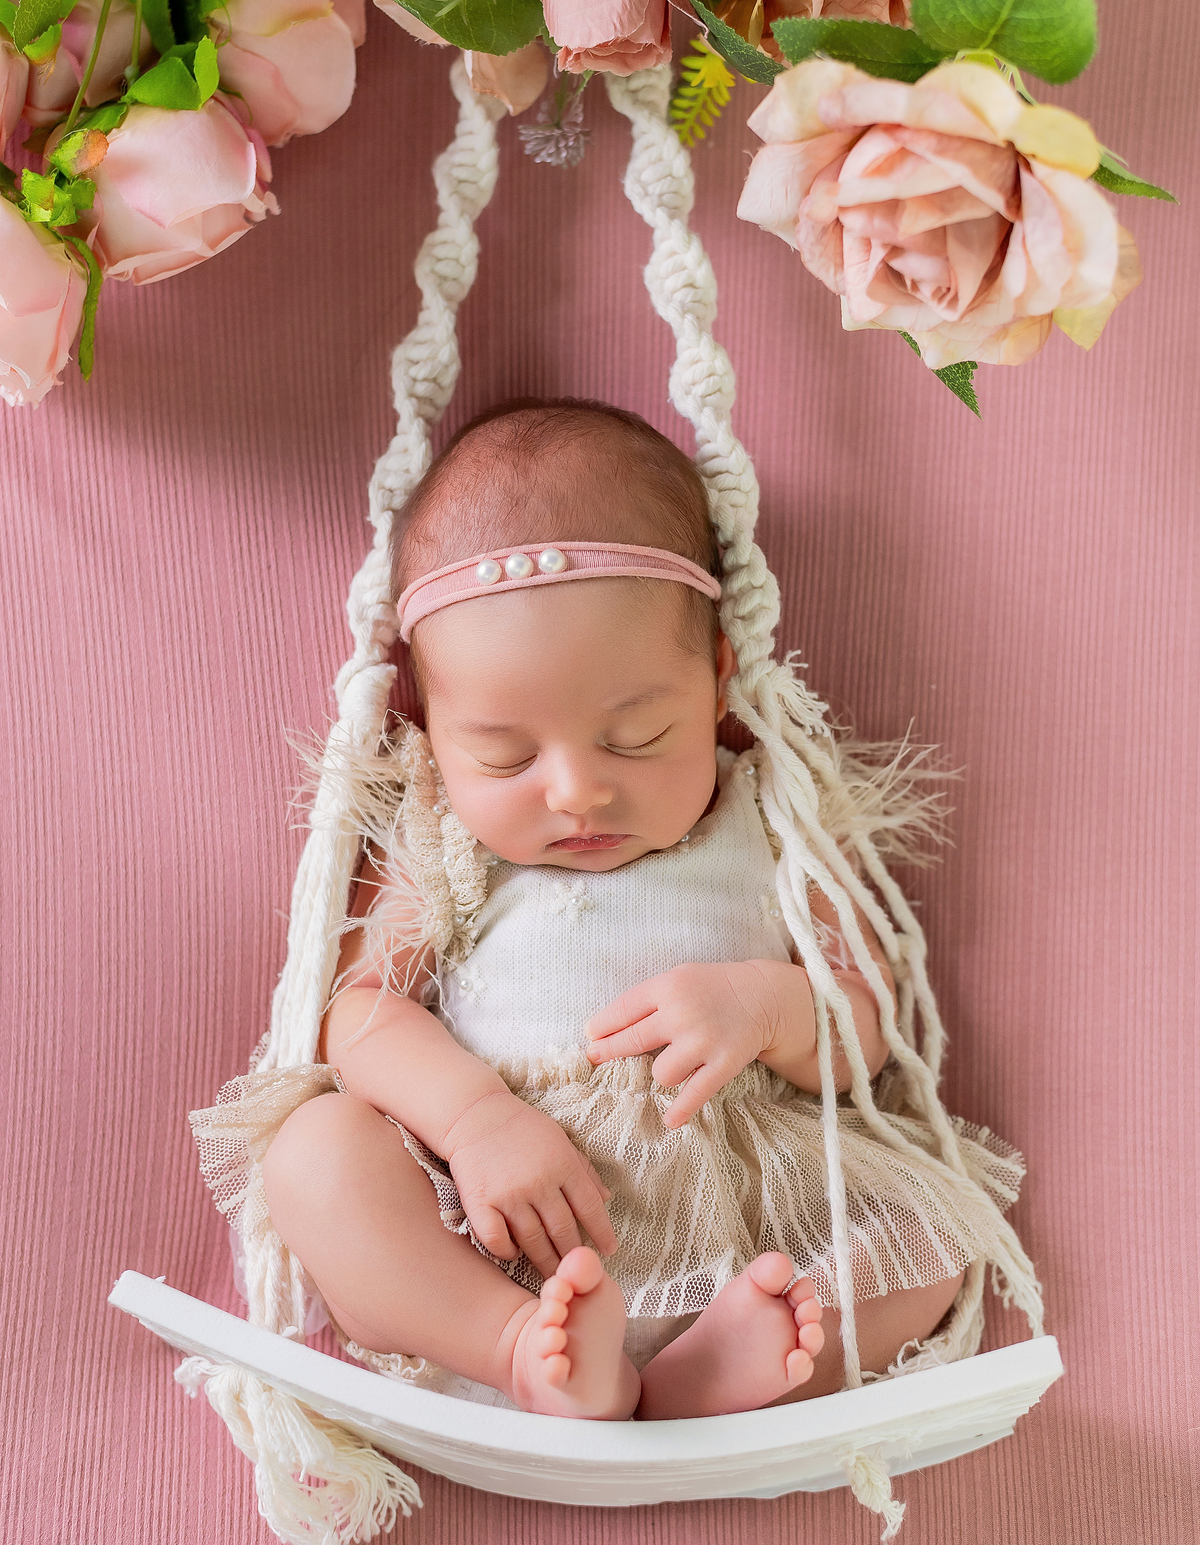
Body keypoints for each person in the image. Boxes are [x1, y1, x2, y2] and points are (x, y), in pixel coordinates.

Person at [257, 399, 1029, 1422]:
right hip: (497, 1222)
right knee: (313, 1155)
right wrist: (476, 1118)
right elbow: (355, 1018)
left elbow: (865, 1029)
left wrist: (767, 1006)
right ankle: (512, 1346)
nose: (575, 790)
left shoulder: (773, 813)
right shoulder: (442, 835)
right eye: (505, 754)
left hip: (752, 1214)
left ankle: (706, 1379)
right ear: (428, 725)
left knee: (934, 1238)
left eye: (634, 738)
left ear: (715, 683)